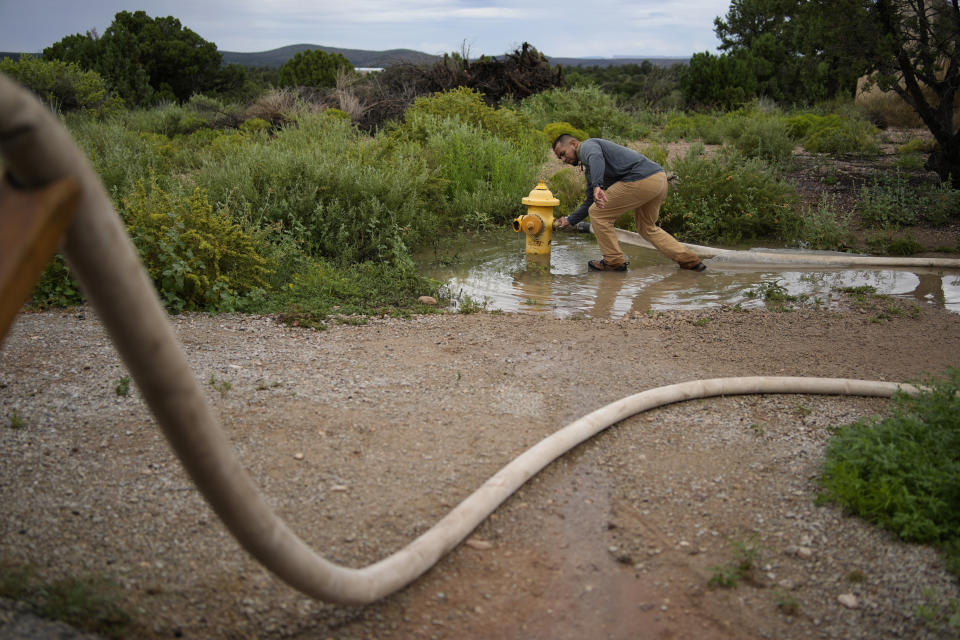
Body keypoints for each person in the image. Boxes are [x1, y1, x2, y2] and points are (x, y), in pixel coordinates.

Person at [552, 134, 706, 272]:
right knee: (646, 228)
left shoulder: (587, 146)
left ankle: (614, 262)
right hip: (658, 179)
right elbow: (589, 201)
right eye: (560, 158)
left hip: (641, 179)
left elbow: (595, 155)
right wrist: (569, 220)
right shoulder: (590, 169)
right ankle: (689, 260)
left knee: (598, 213)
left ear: (573, 143)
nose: (564, 160)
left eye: (563, 154)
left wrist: (598, 185)